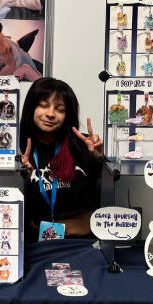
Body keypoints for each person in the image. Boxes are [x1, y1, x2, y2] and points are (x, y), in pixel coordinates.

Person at [19, 78, 104, 240]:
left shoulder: (83, 145)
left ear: (68, 114)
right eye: (43, 105)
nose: (50, 114)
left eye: (60, 109)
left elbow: (91, 221)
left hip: (82, 244)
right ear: (31, 108)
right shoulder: (18, 149)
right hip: (32, 246)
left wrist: (99, 157)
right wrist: (17, 175)